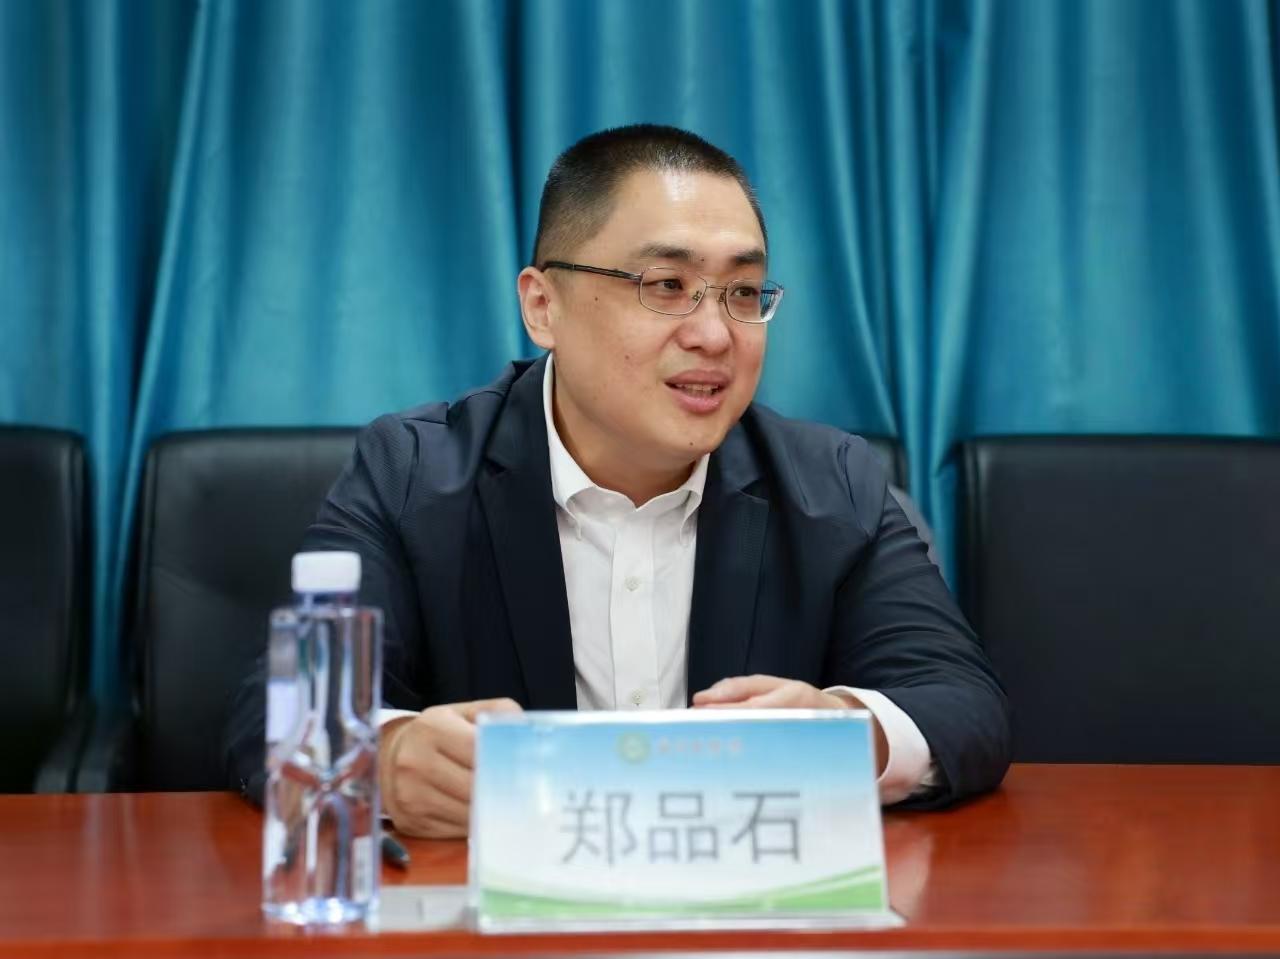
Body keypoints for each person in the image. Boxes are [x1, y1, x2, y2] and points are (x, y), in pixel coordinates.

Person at [225, 124, 1010, 837]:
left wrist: (845, 731)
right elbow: (276, 712)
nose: (714, 334)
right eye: (665, 285)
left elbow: (963, 702)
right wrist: (390, 756)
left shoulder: (831, 481)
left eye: (743, 292)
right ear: (544, 306)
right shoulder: (412, 473)